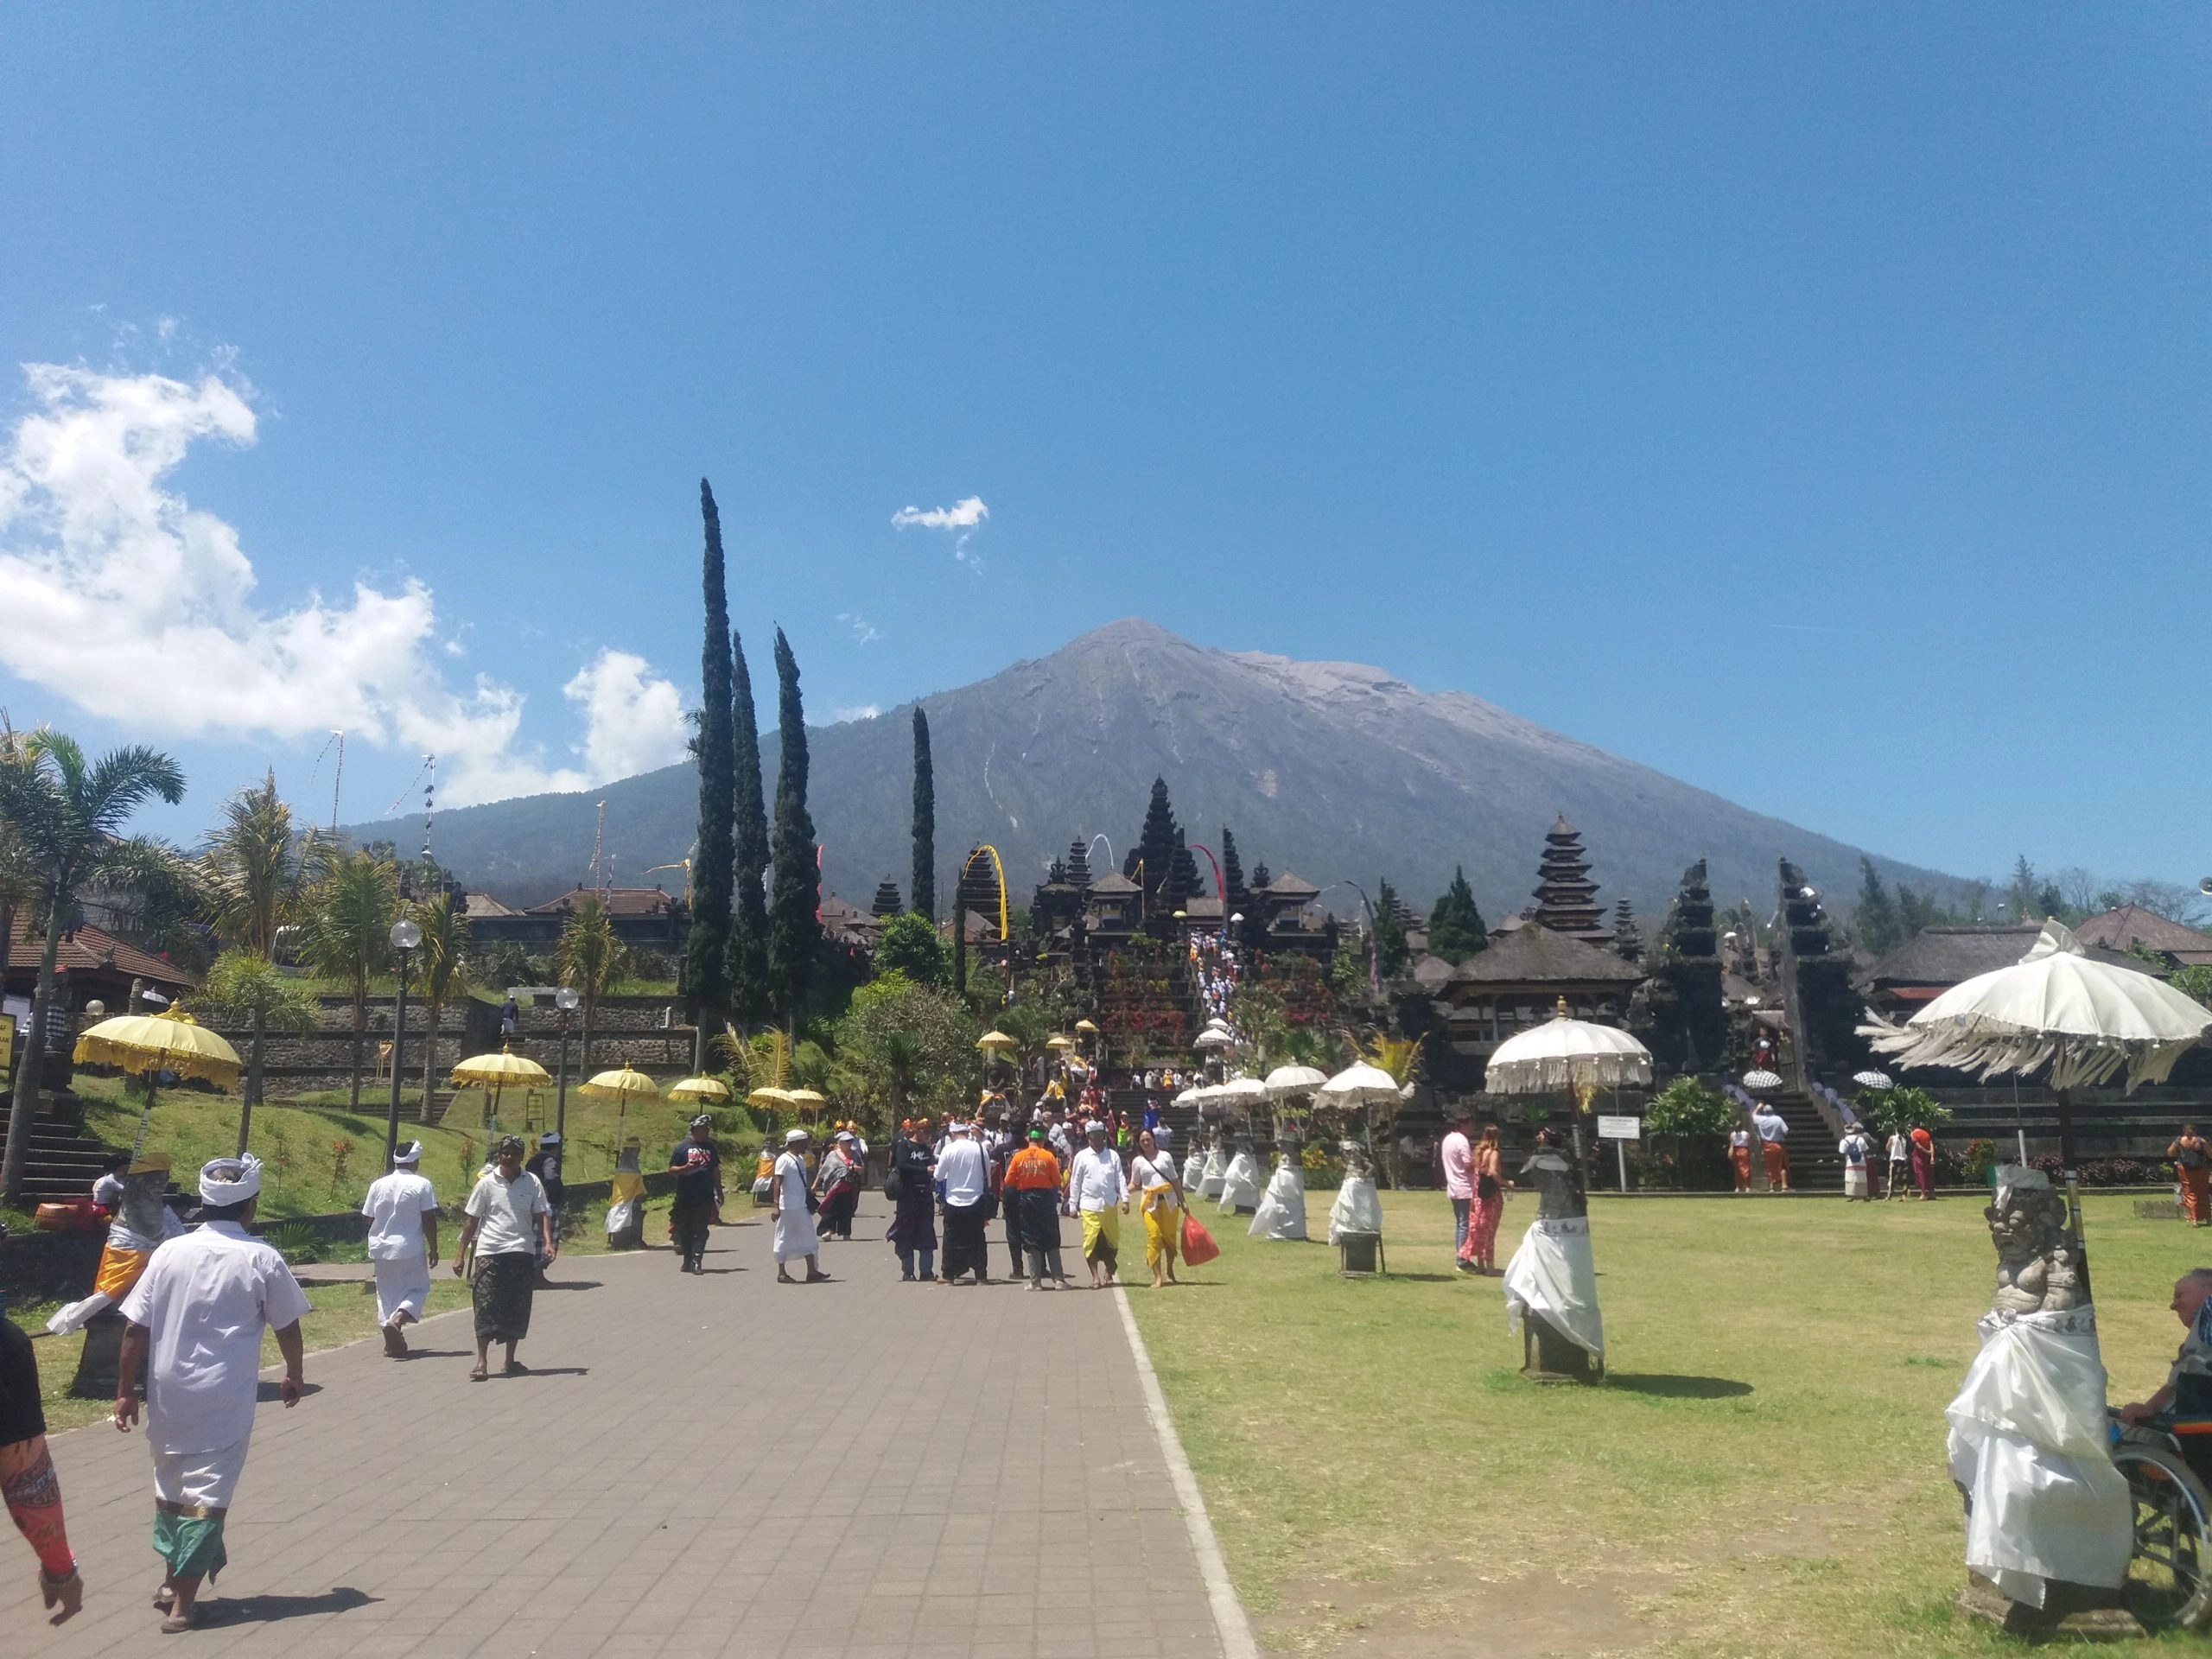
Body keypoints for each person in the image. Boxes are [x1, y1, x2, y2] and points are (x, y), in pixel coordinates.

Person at [113, 1155, 309, 1633]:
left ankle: (168, 1581)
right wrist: (294, 1375)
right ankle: (183, 1606)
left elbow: (135, 1328)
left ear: (203, 1203)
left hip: (167, 1393)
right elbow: (288, 1324)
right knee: (207, 1495)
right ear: (251, 1206)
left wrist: (124, 1392)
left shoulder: (168, 1252)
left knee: (170, 1487)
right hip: (224, 1397)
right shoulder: (261, 1257)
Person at [47, 1153, 187, 1335]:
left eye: (164, 1179)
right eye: (156, 1178)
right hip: (128, 1250)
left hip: (144, 1251)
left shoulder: (158, 1204)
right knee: (112, 1294)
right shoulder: (134, 1197)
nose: (161, 1183)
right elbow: (150, 1226)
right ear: (141, 1179)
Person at [3, 1307, 82, 1624]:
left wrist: (60, 1566)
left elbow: (25, 1474)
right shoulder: (8, 1342)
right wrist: (59, 1568)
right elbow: (27, 1477)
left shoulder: (7, 1345)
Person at [455, 1135, 554, 1380]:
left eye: (513, 1153)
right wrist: (460, 1255)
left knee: (516, 1307)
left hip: (521, 1251)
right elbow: (472, 1220)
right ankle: (481, 1361)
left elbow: (541, 1214)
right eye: (504, 1153)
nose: (508, 1157)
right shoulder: (486, 1184)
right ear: (498, 1155)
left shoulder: (532, 1182)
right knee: (485, 1305)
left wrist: (549, 1243)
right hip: (490, 1252)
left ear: (522, 1157)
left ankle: (510, 1360)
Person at [361, 1141, 441, 1356]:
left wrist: (383, 1225)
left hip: (380, 1248)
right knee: (418, 1288)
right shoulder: (422, 1184)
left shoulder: (378, 1185)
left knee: (385, 1293)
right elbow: (428, 1218)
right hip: (409, 1248)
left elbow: (368, 1217)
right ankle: (397, 1320)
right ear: (415, 1161)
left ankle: (391, 1338)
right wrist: (433, 1248)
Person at [2120, 1268, 2212, 1423]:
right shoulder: (2195, 1347)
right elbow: (2173, 1387)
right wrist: (2147, 1408)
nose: (2173, 1305)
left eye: (2179, 1295)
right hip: (2173, 1429)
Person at [1068, 1121, 1128, 1288]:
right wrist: (1073, 1205)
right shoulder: (1081, 1156)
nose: (1097, 1139)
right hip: (1089, 1205)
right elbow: (1075, 1182)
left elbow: (1120, 1179)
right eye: (1094, 1136)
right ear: (1088, 1137)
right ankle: (1095, 1277)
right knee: (1090, 1241)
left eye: (1100, 1136)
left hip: (1109, 1204)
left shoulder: (1112, 1156)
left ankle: (1109, 1271)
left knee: (1113, 1240)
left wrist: (1125, 1199)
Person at [1006, 1126, 1067, 1289]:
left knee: (1030, 1238)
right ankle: (1059, 1280)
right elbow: (1056, 1181)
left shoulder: (1018, 1157)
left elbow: (1008, 1181)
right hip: (1045, 1200)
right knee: (1052, 1238)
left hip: (1026, 1200)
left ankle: (1036, 1282)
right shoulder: (1048, 1156)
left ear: (1028, 1140)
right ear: (1042, 1140)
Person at [935, 1120, 994, 1285]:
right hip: (976, 1200)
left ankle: (948, 1275)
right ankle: (981, 1275)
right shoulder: (980, 1149)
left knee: (951, 1238)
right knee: (977, 1238)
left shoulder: (948, 1149)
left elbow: (938, 1176)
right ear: (967, 1133)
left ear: (952, 1134)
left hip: (953, 1201)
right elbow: (987, 1176)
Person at [771, 1128, 830, 1284]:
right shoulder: (783, 1159)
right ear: (795, 1143)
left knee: (808, 1236)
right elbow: (777, 1183)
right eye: (804, 1142)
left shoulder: (799, 1159)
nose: (807, 1145)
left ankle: (812, 1271)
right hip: (787, 1207)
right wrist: (776, 1205)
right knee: (783, 1237)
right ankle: (782, 1273)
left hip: (801, 1205)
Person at [667, 1115, 723, 1273]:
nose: (706, 1132)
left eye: (707, 1129)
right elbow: (671, 1171)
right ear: (695, 1129)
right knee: (685, 1229)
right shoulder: (681, 1148)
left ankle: (697, 1261)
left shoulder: (710, 1148)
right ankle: (687, 1260)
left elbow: (715, 1170)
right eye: (704, 1129)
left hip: (704, 1195)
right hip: (685, 1196)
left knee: (701, 1229)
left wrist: (719, 1191)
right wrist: (685, 1168)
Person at [1129, 1128, 1183, 1289]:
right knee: (1154, 1236)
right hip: (1149, 1203)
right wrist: (1122, 1192)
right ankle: (1157, 1277)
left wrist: (1183, 1201)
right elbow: (1135, 1183)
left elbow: (1175, 1180)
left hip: (1169, 1201)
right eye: (1142, 1140)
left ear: (1153, 1139)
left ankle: (1170, 1269)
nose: (1146, 1142)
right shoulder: (1138, 1161)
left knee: (1170, 1237)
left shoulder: (1165, 1156)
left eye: (1148, 1139)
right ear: (1139, 1144)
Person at [887, 1119, 938, 1281]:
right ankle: (908, 1271)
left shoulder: (927, 1149)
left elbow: (931, 1165)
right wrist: (924, 1169)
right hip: (908, 1195)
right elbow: (901, 1165)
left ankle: (926, 1271)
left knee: (926, 1232)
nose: (928, 1136)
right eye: (926, 1133)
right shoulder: (905, 1146)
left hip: (925, 1194)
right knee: (906, 1233)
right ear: (918, 1131)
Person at [1458, 1124, 1508, 1275]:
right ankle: (1490, 1267)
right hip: (1491, 1197)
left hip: (1479, 1195)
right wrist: (1507, 1183)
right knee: (1489, 1232)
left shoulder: (1479, 1153)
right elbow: (1493, 1173)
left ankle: (1480, 1265)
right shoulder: (1493, 1153)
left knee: (1479, 1230)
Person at [525, 1133, 566, 1276]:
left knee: (534, 1239)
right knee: (547, 1240)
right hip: (547, 1206)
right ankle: (538, 1276)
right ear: (555, 1147)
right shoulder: (549, 1161)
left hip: (530, 1204)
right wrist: (555, 1195)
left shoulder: (532, 1160)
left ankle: (535, 1275)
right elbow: (551, 1178)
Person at [812, 1131, 862, 1241]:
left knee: (847, 1210)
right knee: (831, 1209)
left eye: (850, 1141)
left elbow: (861, 1169)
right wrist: (815, 1186)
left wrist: (853, 1169)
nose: (849, 1144)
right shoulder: (832, 1155)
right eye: (846, 1142)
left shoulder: (855, 1154)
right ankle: (828, 1231)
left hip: (849, 1186)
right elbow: (823, 1171)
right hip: (834, 1187)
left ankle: (846, 1232)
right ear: (840, 1142)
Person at [1440, 1111, 1474, 1256]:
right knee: (1464, 1225)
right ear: (1463, 1125)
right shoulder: (1462, 1140)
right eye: (1470, 1125)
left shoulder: (1448, 1139)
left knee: (1460, 1224)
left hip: (1453, 1185)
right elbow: (1468, 1165)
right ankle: (1462, 1257)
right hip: (1464, 1186)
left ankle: (1460, 1255)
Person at [2172, 1126, 2211, 1227]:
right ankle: (2208, 1218)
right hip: (2201, 1170)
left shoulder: (2179, 1141)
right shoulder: (2201, 1141)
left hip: (2185, 1170)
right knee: (2203, 1192)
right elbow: (2210, 1154)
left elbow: (2170, 1152)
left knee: (2190, 1193)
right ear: (2195, 1131)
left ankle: (2194, 1219)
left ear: (2184, 1131)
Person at [1751, 1100, 1790, 1192]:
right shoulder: (1778, 1119)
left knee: (1770, 1166)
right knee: (1781, 1165)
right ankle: (1784, 1185)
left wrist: (1758, 1107)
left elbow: (1753, 1116)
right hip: (1777, 1144)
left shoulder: (1761, 1120)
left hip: (1766, 1145)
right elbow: (1786, 1131)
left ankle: (1772, 1186)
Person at [1910, 1123, 1936, 1200]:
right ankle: (1931, 1193)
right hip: (1927, 1158)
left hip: (1919, 1157)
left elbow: (1919, 1147)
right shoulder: (1926, 1133)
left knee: (1921, 1175)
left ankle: (1923, 1194)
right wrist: (1932, 1156)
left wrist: (1927, 1152)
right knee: (1929, 1175)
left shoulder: (1913, 1134)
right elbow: (1931, 1145)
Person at [1885, 1126, 1911, 1202]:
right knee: (1904, 1178)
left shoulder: (1892, 1138)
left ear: (1896, 1130)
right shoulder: (1904, 1139)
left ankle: (1889, 1196)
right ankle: (1904, 1196)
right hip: (1903, 1159)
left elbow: (1887, 1148)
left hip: (1895, 1160)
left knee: (1892, 1178)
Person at [1727, 1124, 1754, 1195]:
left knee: (1745, 1168)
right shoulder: (1733, 1134)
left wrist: (1750, 1152)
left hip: (1744, 1150)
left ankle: (1747, 1186)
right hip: (1736, 1150)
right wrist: (1731, 1151)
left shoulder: (1745, 1134)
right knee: (1737, 1169)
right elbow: (1732, 1144)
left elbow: (1749, 1143)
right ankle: (1738, 1186)